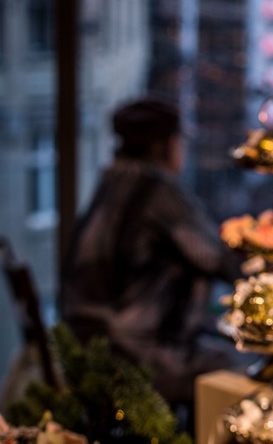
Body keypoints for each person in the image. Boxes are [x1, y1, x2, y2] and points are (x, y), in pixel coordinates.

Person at [60, 97, 242, 413]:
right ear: (163, 146)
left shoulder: (112, 181)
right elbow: (216, 259)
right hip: (133, 357)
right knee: (237, 371)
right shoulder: (157, 192)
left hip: (83, 349)